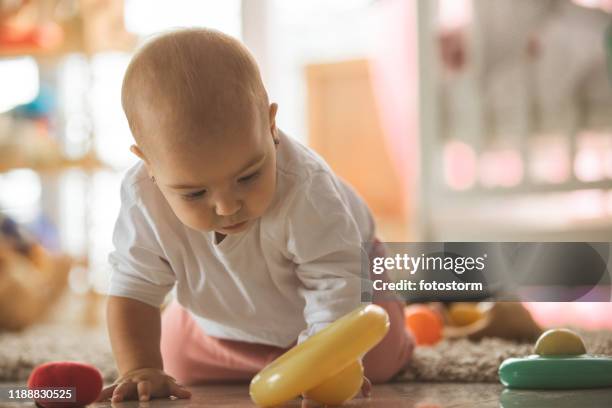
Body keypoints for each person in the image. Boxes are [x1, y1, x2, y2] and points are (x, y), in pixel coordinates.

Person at [100, 28, 413, 403]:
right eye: (195, 193)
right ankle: (233, 343)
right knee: (173, 366)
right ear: (148, 164)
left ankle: (411, 321)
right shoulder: (142, 198)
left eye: (248, 176)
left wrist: (325, 364)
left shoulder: (306, 188)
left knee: (378, 361)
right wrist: (138, 367)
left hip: (347, 279)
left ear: (270, 126)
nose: (227, 207)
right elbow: (133, 288)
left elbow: (336, 278)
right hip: (225, 309)